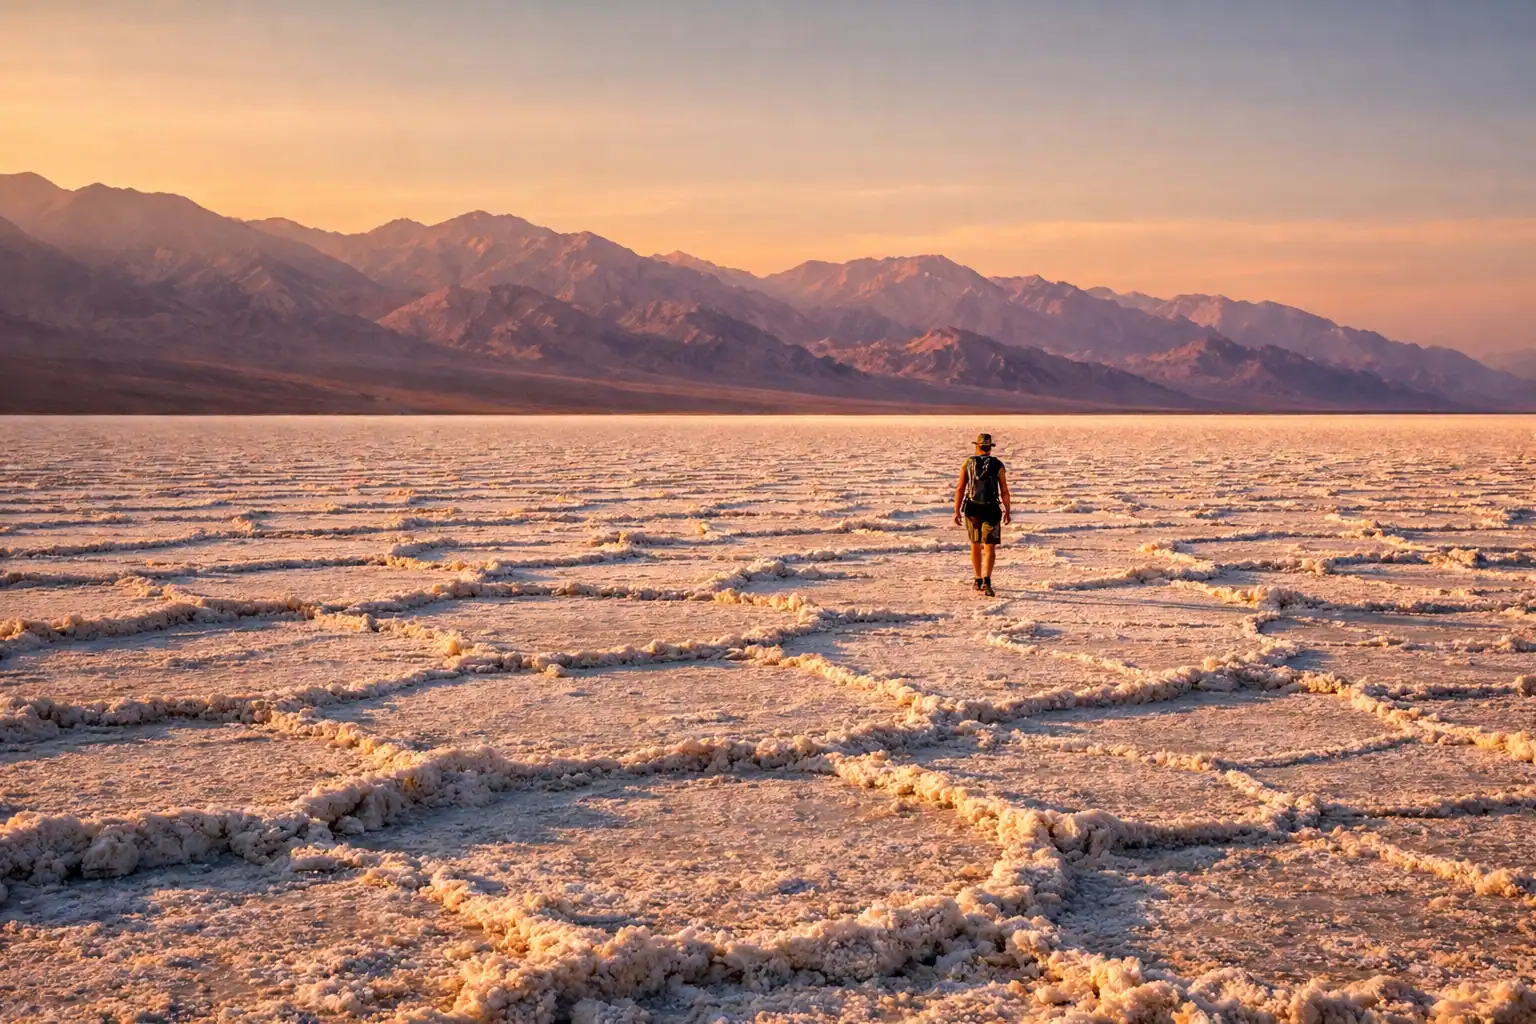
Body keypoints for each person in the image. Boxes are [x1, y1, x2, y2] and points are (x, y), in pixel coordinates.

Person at [952, 432, 1011, 596]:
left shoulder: (968, 463)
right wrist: (1007, 510)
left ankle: (977, 579)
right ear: (990, 448)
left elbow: (960, 488)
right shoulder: (998, 465)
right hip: (991, 508)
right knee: (989, 547)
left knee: (975, 543)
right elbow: (1004, 490)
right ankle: (987, 579)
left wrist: (956, 511)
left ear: (977, 446)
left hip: (973, 509)